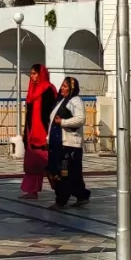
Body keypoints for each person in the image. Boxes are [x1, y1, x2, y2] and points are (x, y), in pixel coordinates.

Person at [48, 76, 90, 208]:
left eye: (65, 86)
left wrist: (64, 122)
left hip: (69, 145)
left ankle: (61, 200)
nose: (62, 89)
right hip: (58, 143)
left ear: (72, 88)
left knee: (64, 173)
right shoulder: (62, 101)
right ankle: (82, 195)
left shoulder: (75, 100)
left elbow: (81, 119)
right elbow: (52, 122)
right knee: (69, 173)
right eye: (62, 86)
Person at [20, 64, 57, 198]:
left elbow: (52, 111)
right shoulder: (32, 90)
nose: (32, 76)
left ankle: (61, 190)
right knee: (32, 163)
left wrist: (51, 131)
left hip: (44, 130)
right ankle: (32, 191)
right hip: (32, 131)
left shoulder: (49, 89)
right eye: (31, 74)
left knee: (48, 163)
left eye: (35, 73)